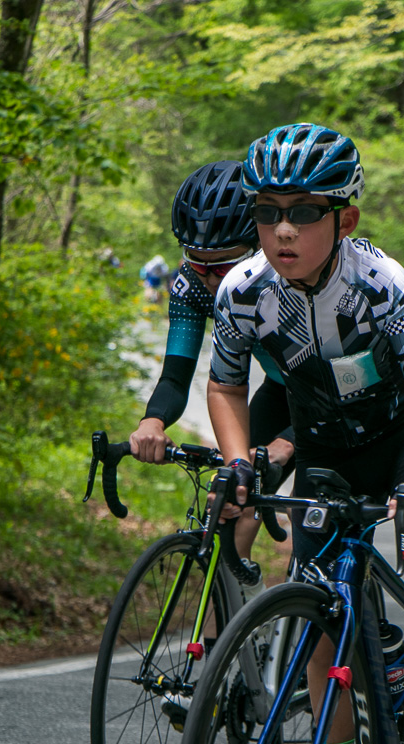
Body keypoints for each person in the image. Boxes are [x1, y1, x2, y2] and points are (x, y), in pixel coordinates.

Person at [207, 122, 404, 744]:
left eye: (303, 213)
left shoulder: (381, 281)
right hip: (325, 447)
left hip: (399, 435)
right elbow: (225, 386)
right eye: (268, 213)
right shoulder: (242, 292)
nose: (282, 232)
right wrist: (240, 460)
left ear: (345, 217)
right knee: (319, 629)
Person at [128, 159, 296, 599]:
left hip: (338, 400)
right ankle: (235, 635)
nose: (207, 278)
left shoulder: (291, 280)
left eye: (221, 266)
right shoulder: (191, 285)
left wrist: (289, 443)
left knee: (322, 534)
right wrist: (153, 421)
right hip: (281, 391)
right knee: (230, 505)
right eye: (195, 262)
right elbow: (176, 374)